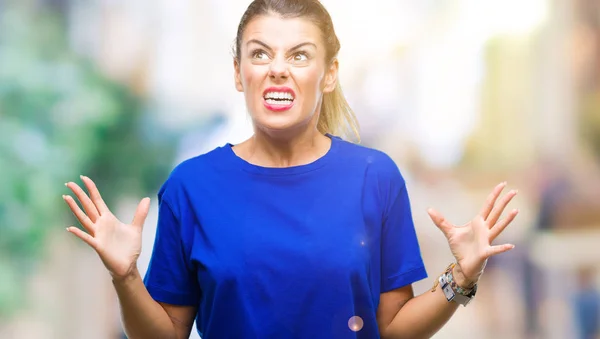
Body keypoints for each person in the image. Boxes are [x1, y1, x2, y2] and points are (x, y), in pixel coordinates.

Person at [62, 1, 519, 338]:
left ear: (329, 73)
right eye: (260, 54)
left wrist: (463, 276)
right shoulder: (191, 187)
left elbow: (392, 329)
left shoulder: (374, 178)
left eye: (299, 55)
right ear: (240, 73)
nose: (278, 69)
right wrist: (125, 278)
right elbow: (167, 334)